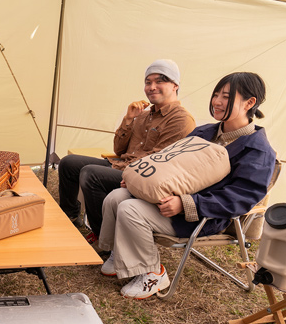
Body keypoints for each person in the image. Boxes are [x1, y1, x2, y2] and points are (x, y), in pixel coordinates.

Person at [99, 72, 277, 299]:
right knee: (117, 196)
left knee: (129, 209)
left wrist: (187, 203)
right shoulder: (204, 132)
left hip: (203, 216)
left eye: (226, 96)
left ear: (250, 103)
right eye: (216, 95)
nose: (217, 102)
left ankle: (153, 273)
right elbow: (167, 161)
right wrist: (139, 177)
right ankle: (121, 255)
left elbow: (240, 198)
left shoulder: (258, 151)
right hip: (169, 199)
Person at [57, 60, 195, 240]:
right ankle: (71, 216)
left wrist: (128, 172)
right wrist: (129, 119)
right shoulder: (144, 115)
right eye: (148, 82)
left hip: (143, 176)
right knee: (69, 163)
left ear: (175, 85)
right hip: (122, 165)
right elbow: (119, 149)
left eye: (159, 81)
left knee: (91, 173)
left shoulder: (180, 120)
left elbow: (160, 163)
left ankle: (104, 237)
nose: (152, 87)